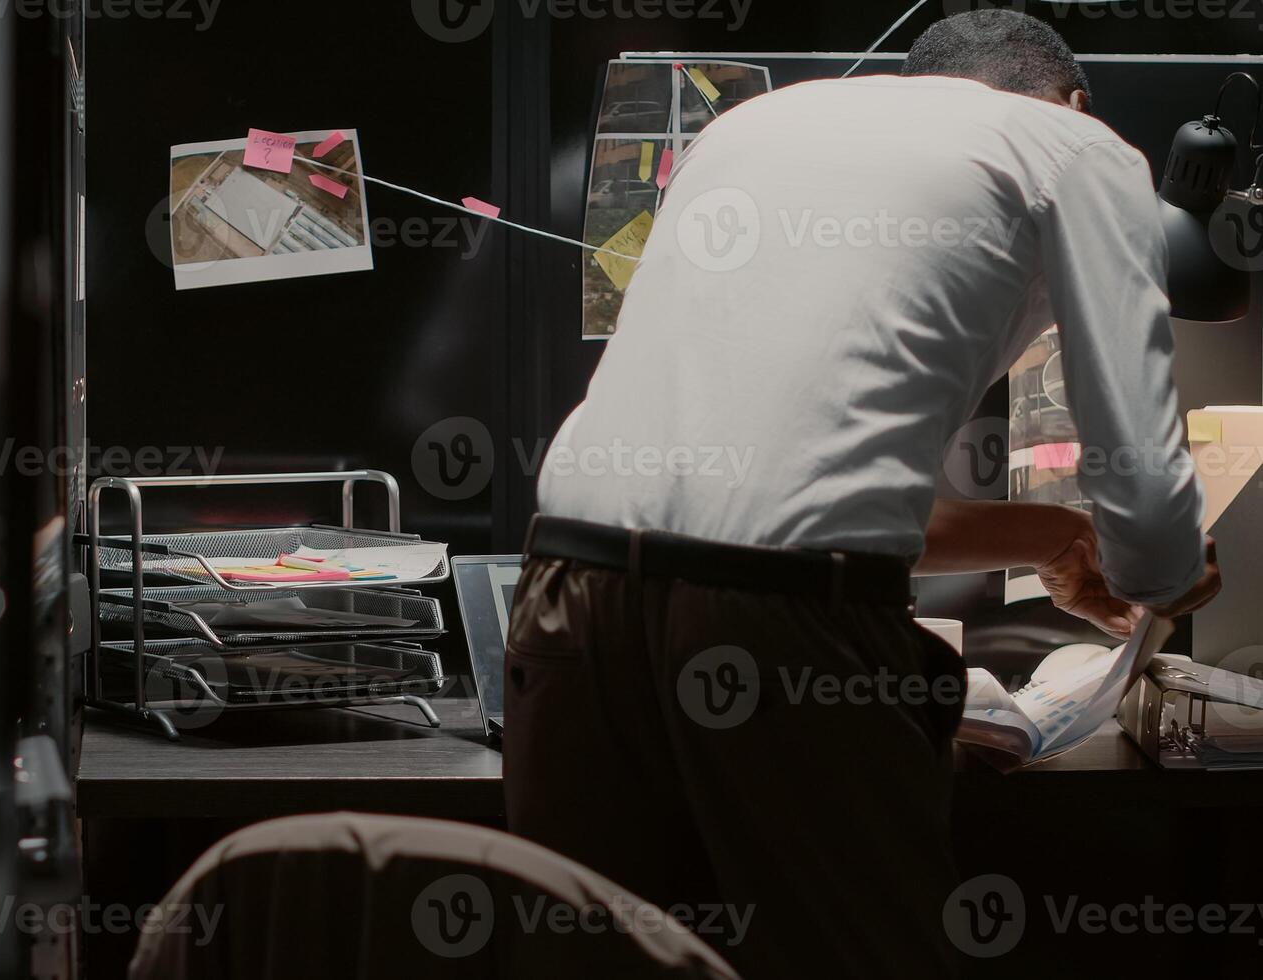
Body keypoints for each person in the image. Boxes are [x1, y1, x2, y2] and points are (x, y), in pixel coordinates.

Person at [502, 10, 1222, 979]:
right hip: (781, 628)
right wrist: (1161, 569)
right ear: (1075, 101)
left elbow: (785, 497)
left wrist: (1053, 533)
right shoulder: (1078, 149)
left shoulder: (750, 128)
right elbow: (1141, 486)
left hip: (562, 590)